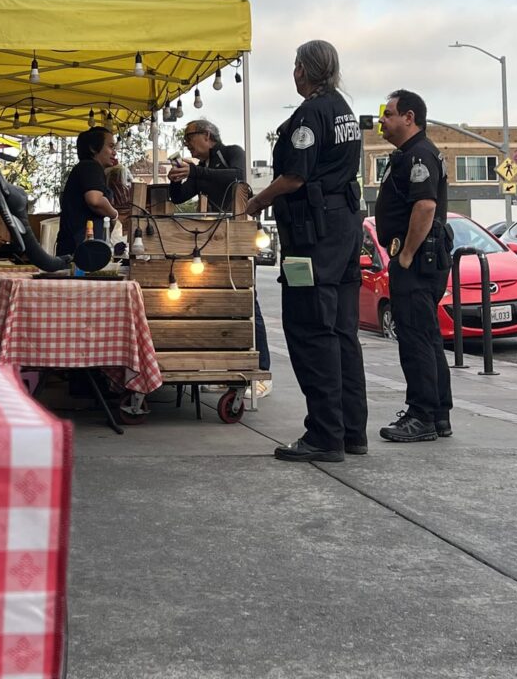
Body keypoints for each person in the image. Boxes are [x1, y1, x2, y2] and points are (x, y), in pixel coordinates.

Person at [245, 40, 367, 462]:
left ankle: (324, 435)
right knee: (341, 331)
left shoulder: (310, 115)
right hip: (345, 228)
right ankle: (353, 431)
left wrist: (255, 203)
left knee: (311, 328)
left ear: (303, 70)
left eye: (295, 66)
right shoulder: (344, 111)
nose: (293, 73)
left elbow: (294, 177)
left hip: (313, 235)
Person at [168, 118, 272, 393]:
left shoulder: (232, 152)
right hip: (215, 241)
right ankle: (228, 370)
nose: (188, 143)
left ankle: (261, 372)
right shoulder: (201, 169)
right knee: (221, 303)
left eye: (190, 137)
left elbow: (235, 177)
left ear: (207, 135)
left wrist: (195, 172)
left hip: (239, 237)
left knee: (249, 303)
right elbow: (179, 198)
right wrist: (176, 180)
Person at [375, 90, 453, 442]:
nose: (382, 120)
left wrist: (405, 254)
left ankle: (421, 415)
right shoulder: (410, 153)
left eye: (388, 114)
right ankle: (437, 415)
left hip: (419, 260)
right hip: (423, 259)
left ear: (409, 117)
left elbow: (424, 206)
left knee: (415, 339)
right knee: (427, 337)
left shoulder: (419, 153)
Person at [56, 127, 119, 256]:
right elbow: (95, 200)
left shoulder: (86, 168)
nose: (114, 152)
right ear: (93, 148)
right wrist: (114, 214)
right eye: (111, 146)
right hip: (81, 253)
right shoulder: (91, 166)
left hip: (77, 249)